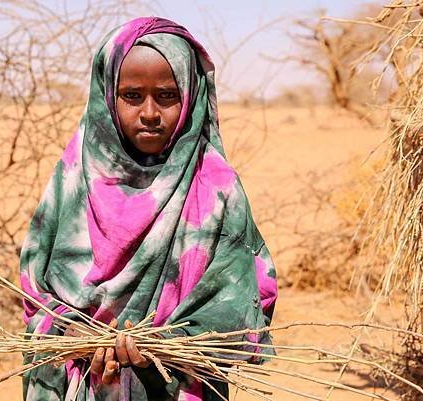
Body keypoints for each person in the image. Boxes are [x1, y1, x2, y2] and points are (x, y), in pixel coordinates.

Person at [20, 16, 277, 401]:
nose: (151, 113)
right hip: (84, 385)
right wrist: (76, 336)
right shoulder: (73, 180)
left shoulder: (215, 185)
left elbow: (248, 295)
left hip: (180, 387)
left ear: (191, 97)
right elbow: (36, 288)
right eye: (132, 96)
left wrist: (169, 343)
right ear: (107, 96)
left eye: (168, 95)